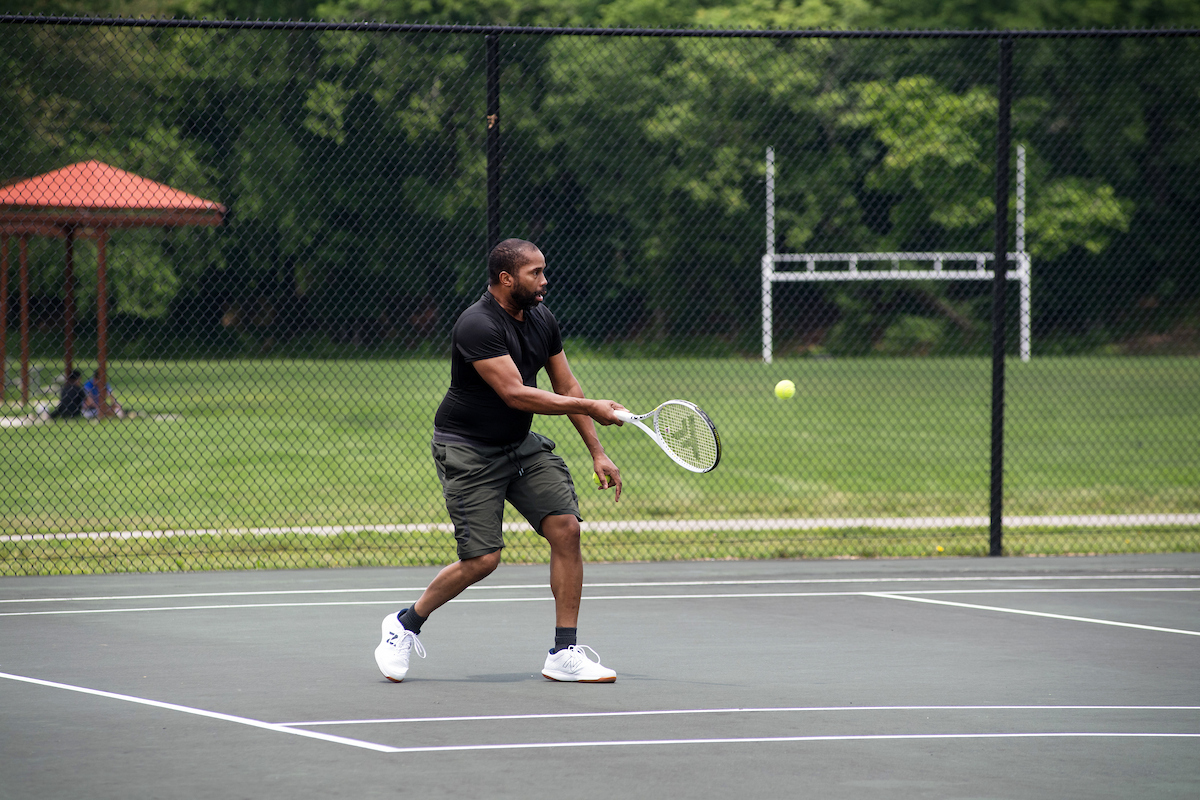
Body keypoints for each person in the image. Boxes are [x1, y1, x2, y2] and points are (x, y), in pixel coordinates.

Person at [374, 238, 626, 684]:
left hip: (519, 443)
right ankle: (404, 624)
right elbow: (514, 393)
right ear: (506, 278)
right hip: (468, 449)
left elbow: (566, 387)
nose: (545, 281)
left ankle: (564, 652)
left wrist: (597, 451)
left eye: (543, 271)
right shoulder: (476, 324)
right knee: (483, 560)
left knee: (566, 528)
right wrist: (593, 409)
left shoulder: (541, 317)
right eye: (535, 273)